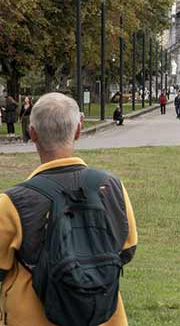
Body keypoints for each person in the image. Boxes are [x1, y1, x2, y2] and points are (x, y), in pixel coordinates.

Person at [0, 92, 138, 325]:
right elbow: (127, 249)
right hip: (103, 317)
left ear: (32, 133)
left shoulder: (11, 203)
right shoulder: (111, 186)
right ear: (78, 129)